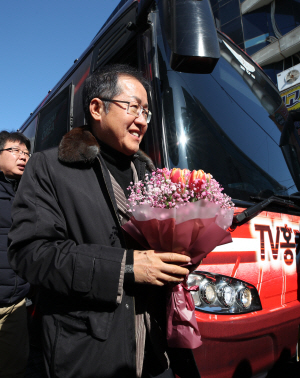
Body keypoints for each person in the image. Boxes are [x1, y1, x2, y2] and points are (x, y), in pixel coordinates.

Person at [8, 64, 201, 378]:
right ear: (97, 108)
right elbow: (30, 254)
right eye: (133, 107)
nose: (142, 120)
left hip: (155, 350)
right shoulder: (49, 168)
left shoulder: (154, 178)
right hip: (90, 352)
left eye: (147, 112)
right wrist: (125, 267)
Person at [0, 131, 31, 378]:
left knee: (15, 366)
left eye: (26, 153)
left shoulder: (29, 193)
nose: (22, 157)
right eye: (15, 151)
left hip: (17, 301)